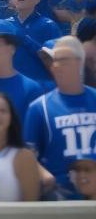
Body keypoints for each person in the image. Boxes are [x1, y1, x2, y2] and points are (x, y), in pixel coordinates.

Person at [24, 36, 96, 199]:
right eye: (53, 61)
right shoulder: (38, 108)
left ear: (79, 63)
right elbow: (27, 156)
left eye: (62, 60)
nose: (55, 66)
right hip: (60, 201)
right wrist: (44, 175)